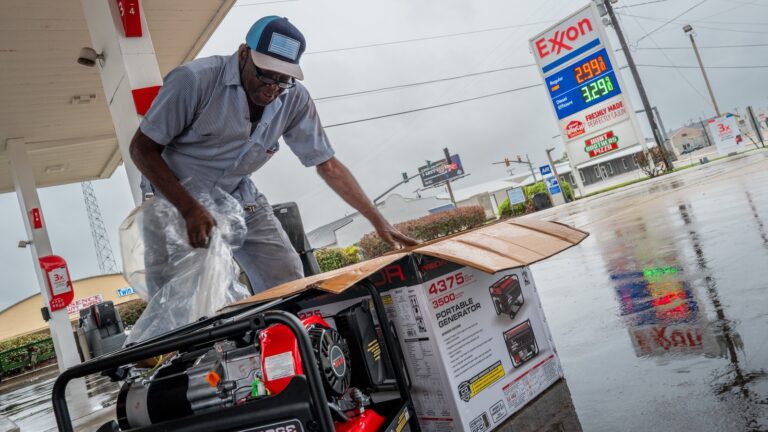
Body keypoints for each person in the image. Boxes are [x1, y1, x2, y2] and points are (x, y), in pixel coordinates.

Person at [130, 16, 416, 294]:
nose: (273, 87)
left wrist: (377, 220)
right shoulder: (194, 81)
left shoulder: (294, 98)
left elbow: (327, 164)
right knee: (182, 300)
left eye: (284, 78)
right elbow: (141, 149)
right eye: (266, 73)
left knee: (287, 277)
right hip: (173, 199)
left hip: (238, 195)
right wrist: (190, 208)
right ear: (244, 54)